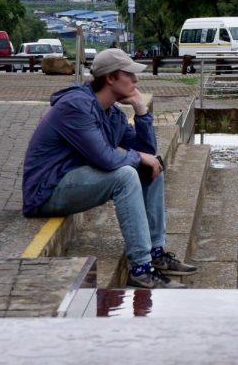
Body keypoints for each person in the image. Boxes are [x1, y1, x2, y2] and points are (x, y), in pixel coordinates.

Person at [22, 48, 196, 289]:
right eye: (129, 75)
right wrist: (139, 157)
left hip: (75, 180)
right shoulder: (76, 106)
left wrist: (140, 110)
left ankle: (155, 252)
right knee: (125, 175)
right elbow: (105, 159)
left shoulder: (110, 111)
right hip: (48, 190)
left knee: (153, 166)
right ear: (110, 78)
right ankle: (141, 269)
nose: (136, 80)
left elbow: (146, 150)